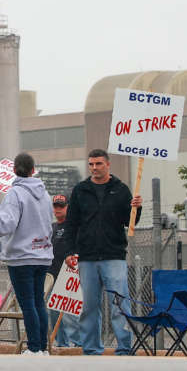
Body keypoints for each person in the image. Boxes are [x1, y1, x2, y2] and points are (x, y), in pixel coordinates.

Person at [65, 149, 142, 356]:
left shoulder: (121, 190)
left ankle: (124, 347)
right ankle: (91, 348)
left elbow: (130, 222)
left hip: (114, 256)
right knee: (90, 306)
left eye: (98, 164)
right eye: (91, 164)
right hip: (87, 257)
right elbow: (71, 223)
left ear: (108, 164)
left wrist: (136, 208)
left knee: (120, 304)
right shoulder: (80, 190)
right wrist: (70, 251)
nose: (94, 168)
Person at [0, 152, 55, 355]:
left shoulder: (15, 194)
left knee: (27, 303)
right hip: (43, 254)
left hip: (21, 257)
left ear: (14, 170)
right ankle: (43, 348)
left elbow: (7, 224)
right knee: (39, 302)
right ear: (32, 170)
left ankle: (34, 348)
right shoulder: (45, 195)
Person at [47, 194, 78, 348]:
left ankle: (79, 344)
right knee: (53, 311)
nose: (58, 209)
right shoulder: (51, 227)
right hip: (52, 276)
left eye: (61, 206)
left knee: (71, 314)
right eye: (55, 206)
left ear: (67, 207)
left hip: (69, 275)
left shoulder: (73, 226)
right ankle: (61, 343)